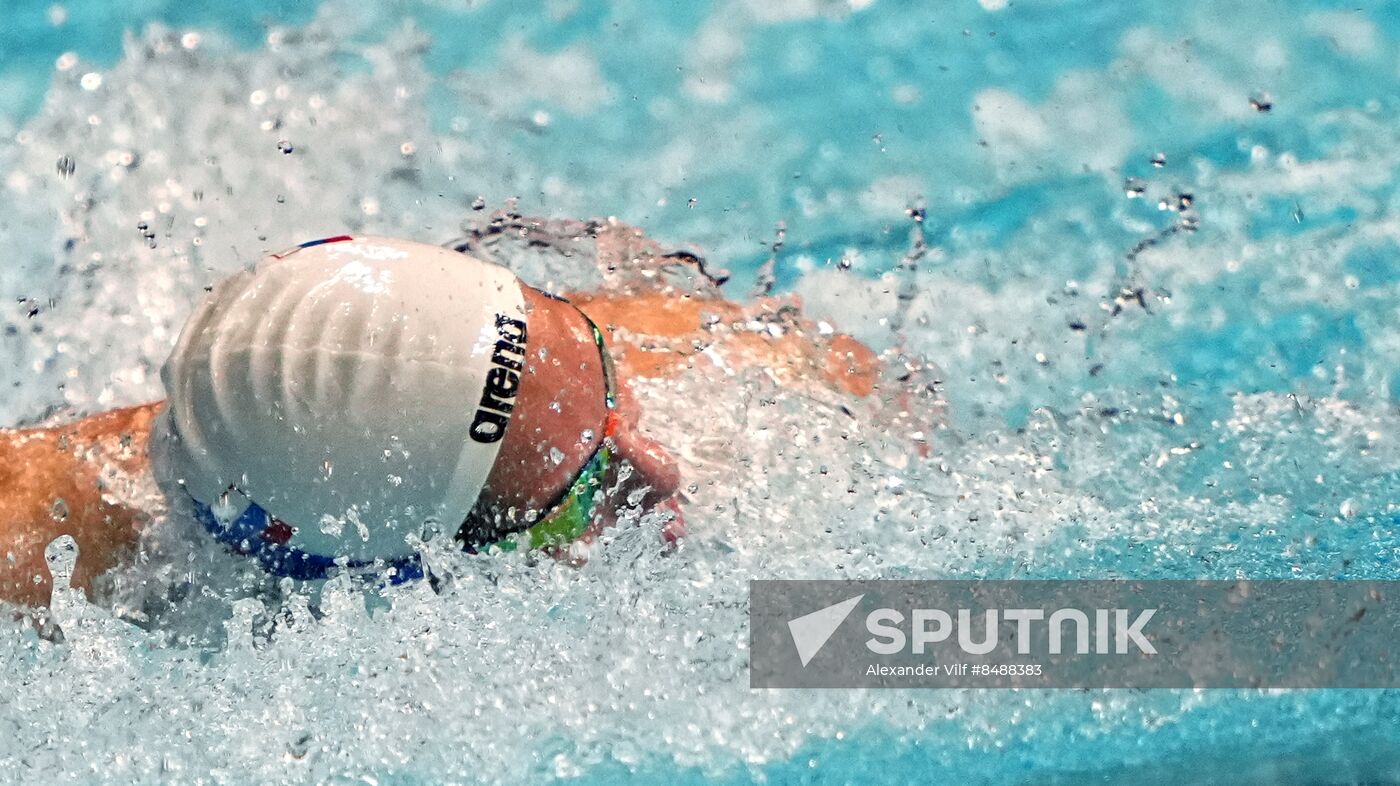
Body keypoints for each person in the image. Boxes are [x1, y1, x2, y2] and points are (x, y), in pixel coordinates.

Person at [0, 219, 905, 609]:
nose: (661, 465)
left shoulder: (717, 356)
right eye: (580, 493)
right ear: (386, 568)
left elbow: (882, 393)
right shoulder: (36, 553)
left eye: (606, 381)